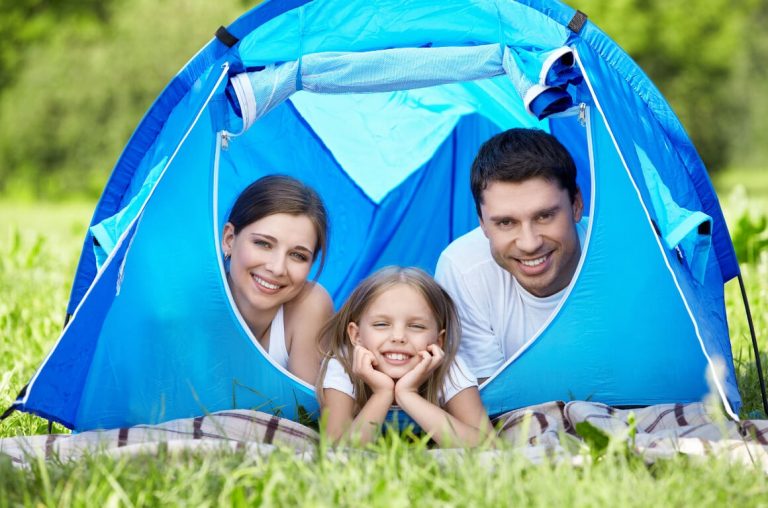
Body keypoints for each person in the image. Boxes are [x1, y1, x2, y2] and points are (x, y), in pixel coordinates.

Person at [435, 128, 587, 382]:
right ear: (482, 223)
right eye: (506, 222)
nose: (529, 244)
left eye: (544, 216)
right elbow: (493, 403)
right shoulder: (462, 268)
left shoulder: (625, 252)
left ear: (576, 204)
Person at [317, 266, 491, 446]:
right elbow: (336, 451)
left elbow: (488, 447)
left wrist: (408, 394)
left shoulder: (448, 367)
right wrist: (382, 393)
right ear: (356, 335)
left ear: (439, 340)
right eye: (382, 324)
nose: (399, 337)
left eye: (417, 326)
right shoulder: (343, 364)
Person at [221, 175, 334, 385]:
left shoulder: (310, 305)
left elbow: (305, 413)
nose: (277, 268)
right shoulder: (193, 293)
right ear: (229, 239)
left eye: (298, 256)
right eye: (263, 244)